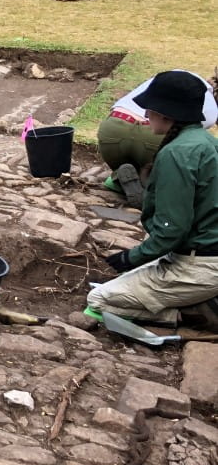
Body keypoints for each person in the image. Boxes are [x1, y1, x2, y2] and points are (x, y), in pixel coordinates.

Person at [87, 70, 218, 329]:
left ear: (167, 114)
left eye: (150, 110)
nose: (145, 115)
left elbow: (173, 228)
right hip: (204, 250)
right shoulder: (205, 141)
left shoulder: (177, 154)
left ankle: (191, 315)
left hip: (200, 264)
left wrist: (132, 257)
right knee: (125, 280)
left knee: (99, 298)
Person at [98, 69, 216, 207]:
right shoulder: (202, 97)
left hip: (112, 129)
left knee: (131, 158)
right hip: (152, 135)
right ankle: (153, 190)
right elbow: (191, 137)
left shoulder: (168, 79)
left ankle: (121, 177)